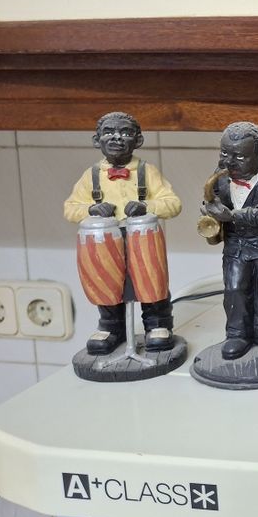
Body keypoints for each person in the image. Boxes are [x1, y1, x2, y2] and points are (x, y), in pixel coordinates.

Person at [64, 111, 182, 354]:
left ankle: (157, 324)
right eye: (109, 132)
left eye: (125, 133)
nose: (116, 138)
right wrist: (91, 209)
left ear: (138, 141)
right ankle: (111, 326)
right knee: (106, 280)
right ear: (96, 140)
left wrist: (147, 206)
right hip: (105, 241)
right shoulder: (91, 176)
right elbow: (70, 208)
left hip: (142, 238)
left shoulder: (147, 171)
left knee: (151, 278)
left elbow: (173, 203)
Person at [201, 121, 258, 360]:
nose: (229, 162)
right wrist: (209, 209)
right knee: (234, 288)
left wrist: (231, 216)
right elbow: (212, 201)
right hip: (236, 244)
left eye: (240, 156)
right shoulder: (220, 177)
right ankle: (237, 333)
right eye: (224, 153)